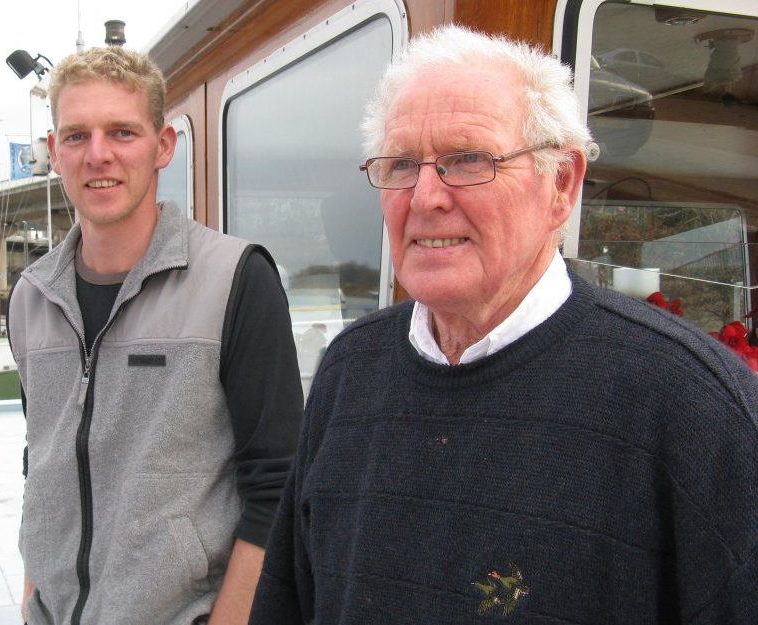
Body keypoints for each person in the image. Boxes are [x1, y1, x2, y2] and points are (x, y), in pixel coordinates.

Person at [249, 24, 758, 625]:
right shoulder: (348, 370)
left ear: (561, 185)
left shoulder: (691, 402)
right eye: (401, 164)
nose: (425, 196)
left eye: (468, 160)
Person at [7, 46, 303, 625]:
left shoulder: (236, 280)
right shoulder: (30, 297)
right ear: (53, 153)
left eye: (122, 132)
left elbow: (278, 487)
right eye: (75, 136)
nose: (98, 155)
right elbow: (40, 465)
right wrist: (30, 598)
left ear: (163, 145)